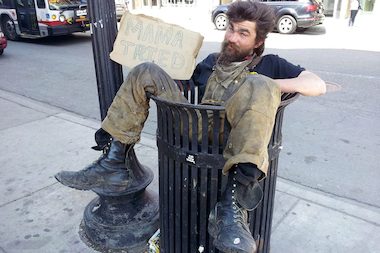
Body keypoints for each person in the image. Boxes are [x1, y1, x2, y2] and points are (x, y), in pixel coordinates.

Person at [55, 1, 326, 252]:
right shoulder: (211, 62)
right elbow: (186, 89)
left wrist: (266, 85)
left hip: (236, 140)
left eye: (243, 33)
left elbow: (316, 84)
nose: (232, 37)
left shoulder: (271, 64)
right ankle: (114, 161)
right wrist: (168, 70)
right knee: (145, 70)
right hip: (193, 132)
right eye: (231, 29)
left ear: (259, 41)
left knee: (260, 83)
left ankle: (232, 206)